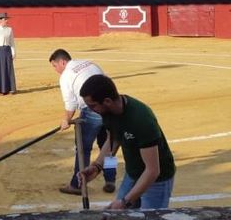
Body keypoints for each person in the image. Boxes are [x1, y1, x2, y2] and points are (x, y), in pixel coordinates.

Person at [79, 75, 175, 210]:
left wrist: (125, 202)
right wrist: (97, 166)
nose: (91, 110)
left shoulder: (141, 119)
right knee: (117, 214)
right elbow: (113, 139)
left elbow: (153, 171)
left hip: (156, 181)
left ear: (107, 101)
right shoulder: (108, 112)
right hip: (133, 173)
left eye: (92, 105)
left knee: (148, 216)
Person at [49, 49, 116, 196]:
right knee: (108, 146)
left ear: (62, 62)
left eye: (55, 66)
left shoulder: (66, 75)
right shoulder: (88, 63)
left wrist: (66, 120)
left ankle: (77, 184)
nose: (56, 70)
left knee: (83, 149)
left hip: (92, 109)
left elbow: (70, 104)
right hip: (109, 106)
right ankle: (110, 180)